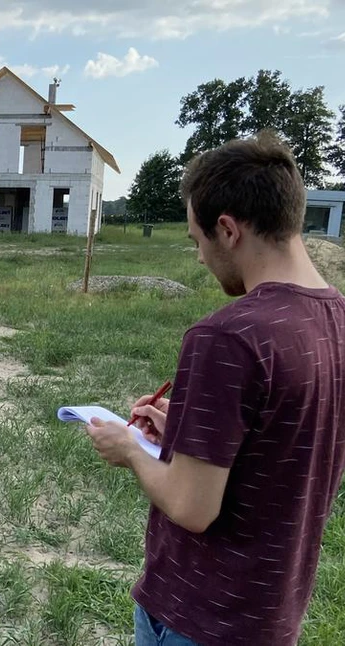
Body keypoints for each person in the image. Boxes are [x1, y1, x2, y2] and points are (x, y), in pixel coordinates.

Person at [85, 132, 345, 646]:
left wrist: (131, 450)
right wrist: (183, 431)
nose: (200, 258)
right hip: (272, 612)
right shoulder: (338, 319)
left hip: (200, 614)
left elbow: (191, 507)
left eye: (196, 240)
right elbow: (281, 445)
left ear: (227, 230)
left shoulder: (228, 335)